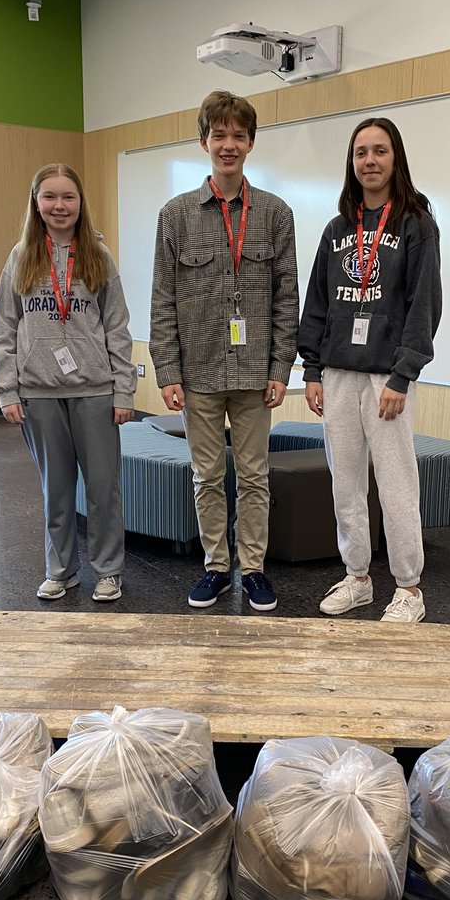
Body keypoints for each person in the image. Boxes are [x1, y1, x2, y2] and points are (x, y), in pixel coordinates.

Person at [150, 91, 299, 612]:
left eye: (239, 135)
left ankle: (253, 569)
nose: (229, 144)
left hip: (256, 370)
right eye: (220, 135)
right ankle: (216, 566)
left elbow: (287, 299)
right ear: (203, 142)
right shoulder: (176, 216)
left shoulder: (277, 215)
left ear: (251, 143)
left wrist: (282, 367)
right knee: (207, 476)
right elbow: (162, 299)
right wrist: (167, 371)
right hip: (199, 371)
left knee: (255, 476)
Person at [297, 118, 442, 622]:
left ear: (395, 158)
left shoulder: (416, 223)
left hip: (387, 377)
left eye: (380, 151)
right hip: (338, 373)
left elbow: (424, 304)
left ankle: (409, 589)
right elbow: (317, 302)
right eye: (361, 153)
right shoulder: (338, 228)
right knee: (345, 482)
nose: (370, 161)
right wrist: (311, 369)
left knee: (397, 483)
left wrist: (404, 375)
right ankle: (357, 577)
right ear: (351, 162)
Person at [0, 163, 136, 602]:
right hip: (39, 394)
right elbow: (4, 328)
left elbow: (118, 327)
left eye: (68, 196)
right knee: (55, 491)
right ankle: (61, 570)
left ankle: (108, 570)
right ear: (36, 202)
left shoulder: (97, 256)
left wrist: (124, 389)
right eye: (50, 196)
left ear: (80, 203)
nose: (59, 205)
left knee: (102, 490)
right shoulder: (20, 257)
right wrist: (7, 389)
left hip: (95, 390)